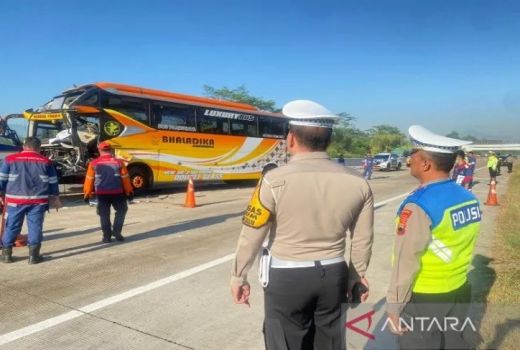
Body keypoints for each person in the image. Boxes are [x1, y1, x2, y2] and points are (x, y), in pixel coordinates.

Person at [230, 100, 374, 350]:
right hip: (333, 275)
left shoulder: (272, 180)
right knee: (330, 342)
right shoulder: (358, 183)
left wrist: (238, 275)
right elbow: (363, 238)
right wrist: (356, 275)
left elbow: (252, 233)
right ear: (328, 141)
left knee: (284, 342)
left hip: (287, 278)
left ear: (292, 139)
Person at [386, 125, 481, 349]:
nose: (410, 160)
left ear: (425, 163)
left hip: (425, 295)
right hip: (459, 288)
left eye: (413, 155)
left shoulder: (419, 204)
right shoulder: (467, 196)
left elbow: (406, 260)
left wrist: (394, 306)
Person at [0, 137, 61, 264]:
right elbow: (53, 182)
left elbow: (1, 180)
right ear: (39, 148)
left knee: (11, 226)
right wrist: (55, 198)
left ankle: (6, 255)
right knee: (35, 227)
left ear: (24, 146)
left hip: (14, 201)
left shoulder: (9, 160)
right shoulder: (46, 162)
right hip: (38, 201)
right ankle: (33, 257)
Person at [83, 141, 133, 243]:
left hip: (102, 194)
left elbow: (89, 180)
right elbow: (125, 179)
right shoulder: (119, 163)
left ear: (99, 150)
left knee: (104, 215)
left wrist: (87, 194)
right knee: (122, 210)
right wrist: (129, 192)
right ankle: (117, 231)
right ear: (110, 150)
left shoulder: (94, 163)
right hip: (118, 193)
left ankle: (107, 236)